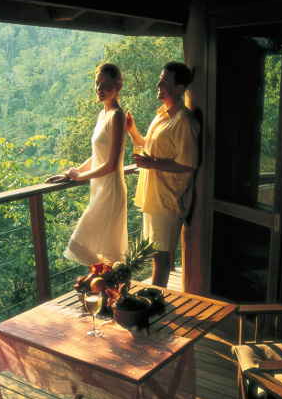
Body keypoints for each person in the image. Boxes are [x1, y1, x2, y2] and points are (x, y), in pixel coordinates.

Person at [47, 63, 128, 266]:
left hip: (111, 190)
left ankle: (111, 281)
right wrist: (70, 174)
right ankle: (114, 289)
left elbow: (111, 163)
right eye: (97, 84)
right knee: (105, 252)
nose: (99, 89)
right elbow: (97, 155)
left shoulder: (118, 116)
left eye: (105, 85)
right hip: (99, 188)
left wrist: (80, 177)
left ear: (118, 87)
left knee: (78, 246)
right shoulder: (103, 115)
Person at [127, 61, 199, 288]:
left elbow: (188, 165)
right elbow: (147, 148)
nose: (158, 84)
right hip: (153, 198)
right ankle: (159, 300)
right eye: (160, 78)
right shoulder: (162, 115)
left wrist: (152, 163)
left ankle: (155, 303)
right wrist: (131, 130)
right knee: (158, 255)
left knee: (159, 257)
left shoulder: (184, 121)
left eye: (164, 81)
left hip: (167, 200)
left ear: (179, 89)